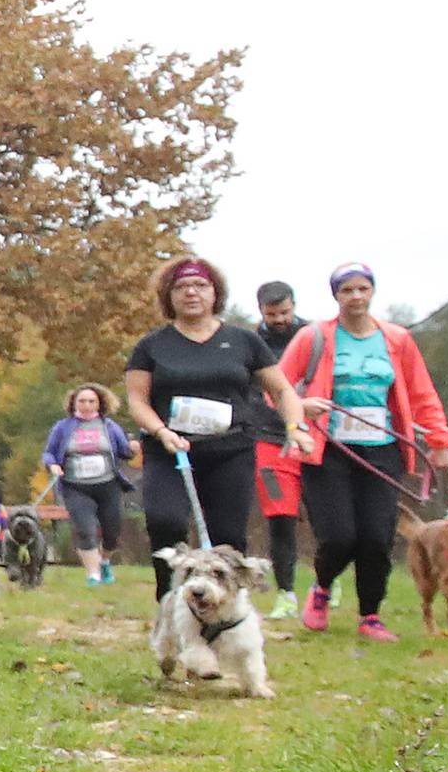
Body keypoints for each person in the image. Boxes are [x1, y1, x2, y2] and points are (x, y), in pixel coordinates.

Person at [279, 262, 448, 642]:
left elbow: (422, 392)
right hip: (327, 449)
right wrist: (301, 405)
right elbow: (275, 385)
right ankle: (322, 588)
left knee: (377, 536)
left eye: (362, 289)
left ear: (372, 292)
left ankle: (370, 615)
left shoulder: (397, 339)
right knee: (340, 535)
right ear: (335, 296)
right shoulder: (315, 337)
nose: (356, 297)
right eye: (347, 291)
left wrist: (440, 443)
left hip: (383, 449)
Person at [125, 255, 312, 601]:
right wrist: (161, 431)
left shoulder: (244, 341)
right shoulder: (151, 346)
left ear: (215, 293)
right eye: (182, 287)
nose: (191, 293)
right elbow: (138, 400)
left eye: (200, 286)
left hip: (231, 450)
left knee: (227, 535)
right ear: (169, 296)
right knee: (165, 521)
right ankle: (170, 599)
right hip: (171, 451)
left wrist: (295, 426)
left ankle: (226, 608)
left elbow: (282, 389)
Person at [41, 382, 136, 586]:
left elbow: (124, 451)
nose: (86, 405)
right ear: (73, 403)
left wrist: (133, 447)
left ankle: (105, 561)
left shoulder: (109, 426)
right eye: (82, 401)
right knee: (85, 528)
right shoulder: (62, 427)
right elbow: (49, 452)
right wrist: (53, 466)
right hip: (75, 486)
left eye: (91, 401)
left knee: (112, 530)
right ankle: (93, 575)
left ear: (99, 403)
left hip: (107, 484)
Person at [253, 281, 308, 618]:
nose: (279, 319)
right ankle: (286, 593)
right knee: (281, 516)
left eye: (285, 312)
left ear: (294, 305)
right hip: (267, 441)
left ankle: (326, 581)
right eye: (271, 314)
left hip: (313, 437)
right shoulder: (251, 342)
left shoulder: (314, 337)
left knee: (323, 515)